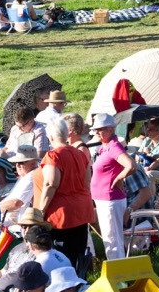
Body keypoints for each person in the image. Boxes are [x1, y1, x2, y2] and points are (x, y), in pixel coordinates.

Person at [34, 118, 94, 271]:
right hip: (81, 210)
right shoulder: (80, 154)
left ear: (51, 136)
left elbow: (51, 183)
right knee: (77, 256)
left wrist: (40, 211)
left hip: (61, 214)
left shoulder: (53, 155)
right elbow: (87, 182)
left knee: (61, 259)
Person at [89, 113, 135, 261]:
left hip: (110, 200)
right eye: (96, 129)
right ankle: (118, 273)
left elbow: (131, 165)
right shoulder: (106, 147)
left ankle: (119, 275)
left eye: (100, 129)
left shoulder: (113, 146)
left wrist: (119, 178)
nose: (96, 132)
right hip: (105, 199)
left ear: (110, 129)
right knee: (111, 238)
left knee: (113, 239)